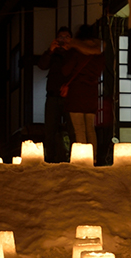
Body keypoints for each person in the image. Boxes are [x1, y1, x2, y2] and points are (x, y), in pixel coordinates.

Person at [60, 24, 105, 162]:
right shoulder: (100, 53)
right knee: (90, 129)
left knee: (79, 129)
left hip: (76, 93)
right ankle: (94, 158)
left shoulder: (76, 51)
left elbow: (66, 70)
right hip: (91, 94)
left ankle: (82, 160)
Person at [37, 26, 73, 163]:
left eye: (66, 37)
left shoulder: (73, 53)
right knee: (50, 131)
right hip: (52, 96)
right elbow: (41, 65)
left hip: (69, 97)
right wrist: (50, 51)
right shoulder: (53, 54)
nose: (63, 40)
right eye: (60, 37)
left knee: (72, 129)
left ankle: (74, 158)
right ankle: (50, 159)